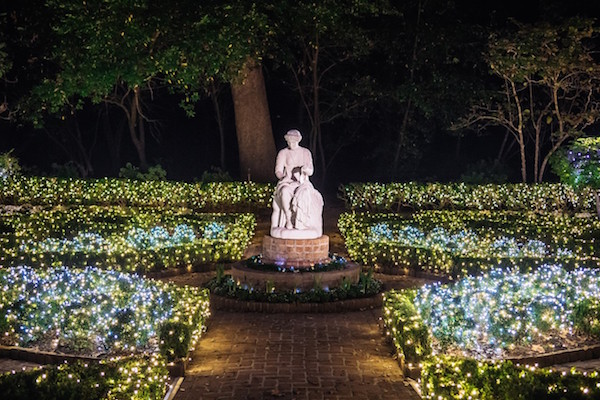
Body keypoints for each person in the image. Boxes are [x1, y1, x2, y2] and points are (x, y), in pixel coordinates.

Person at [271, 130, 323, 238]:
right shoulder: (283, 153)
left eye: (293, 141)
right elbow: (278, 171)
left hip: (302, 183)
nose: (291, 144)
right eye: (289, 142)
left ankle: (301, 222)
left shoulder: (305, 152)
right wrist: (283, 177)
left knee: (304, 193)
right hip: (288, 182)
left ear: (298, 140)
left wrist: (305, 169)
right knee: (284, 192)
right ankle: (288, 219)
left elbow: (310, 171)